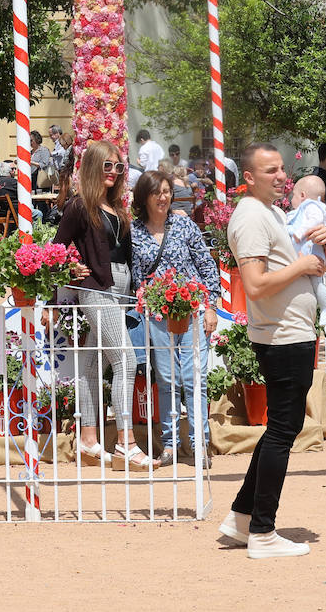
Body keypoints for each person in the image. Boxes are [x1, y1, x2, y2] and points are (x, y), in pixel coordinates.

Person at [218, 143, 326, 560]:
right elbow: (254, 285)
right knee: (284, 431)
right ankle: (263, 532)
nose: (282, 175)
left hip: (291, 331)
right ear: (248, 177)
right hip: (281, 336)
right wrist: (302, 268)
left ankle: (242, 519)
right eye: (271, 170)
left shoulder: (271, 213)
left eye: (282, 168)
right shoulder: (251, 216)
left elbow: (311, 263)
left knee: (279, 429)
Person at [53, 139, 156, 470]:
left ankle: (87, 440)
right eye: (107, 165)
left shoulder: (117, 208)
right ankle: (126, 442)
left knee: (91, 366)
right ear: (93, 167)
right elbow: (57, 248)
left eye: (119, 167)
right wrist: (70, 266)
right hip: (96, 288)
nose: (113, 172)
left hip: (121, 286)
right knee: (125, 361)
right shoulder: (79, 206)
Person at [130, 169, 221, 468]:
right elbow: (135, 276)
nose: (163, 197)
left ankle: (199, 443)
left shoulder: (184, 226)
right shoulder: (134, 233)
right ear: (144, 197)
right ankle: (170, 444)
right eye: (157, 192)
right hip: (157, 316)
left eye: (167, 191)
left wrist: (211, 306)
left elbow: (207, 266)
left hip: (193, 310)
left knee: (194, 379)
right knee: (167, 380)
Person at [285, 174, 326, 326]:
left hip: (313, 254)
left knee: (317, 282)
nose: (291, 200)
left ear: (303, 195)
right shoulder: (302, 211)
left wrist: (299, 232)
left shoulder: (313, 207)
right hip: (303, 255)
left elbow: (314, 221)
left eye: (293, 196)